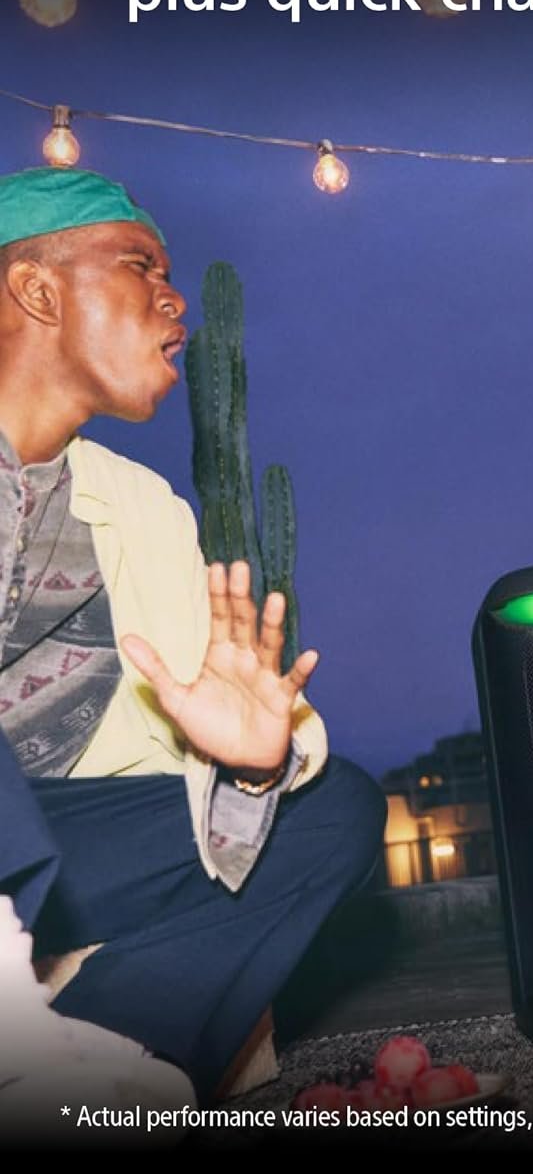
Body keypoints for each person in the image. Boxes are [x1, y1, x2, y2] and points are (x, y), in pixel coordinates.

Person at [0, 167, 387, 1136]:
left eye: (172, 276)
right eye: (140, 266)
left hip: (62, 845)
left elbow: (245, 725)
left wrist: (255, 764)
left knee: (334, 809)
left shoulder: (142, 506)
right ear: (37, 291)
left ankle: (91, 1078)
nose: (175, 300)